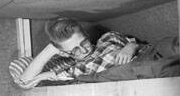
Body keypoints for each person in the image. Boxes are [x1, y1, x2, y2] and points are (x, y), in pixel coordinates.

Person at [17, 18, 151, 88]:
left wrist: (130, 47)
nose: (84, 50)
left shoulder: (107, 38)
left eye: (84, 42)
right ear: (64, 53)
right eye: (75, 50)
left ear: (86, 34)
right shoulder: (76, 71)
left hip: (152, 55)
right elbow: (24, 81)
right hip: (144, 72)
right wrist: (50, 49)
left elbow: (141, 44)